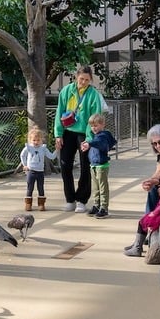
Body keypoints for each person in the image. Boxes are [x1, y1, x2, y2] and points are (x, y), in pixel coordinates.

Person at [53, 66, 105, 213]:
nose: (83, 82)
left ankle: (81, 200)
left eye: (87, 80)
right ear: (76, 77)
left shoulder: (93, 94)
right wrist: (58, 134)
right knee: (65, 164)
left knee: (85, 166)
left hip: (84, 133)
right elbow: (59, 113)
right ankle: (69, 199)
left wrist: (89, 139)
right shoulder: (66, 91)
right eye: (81, 79)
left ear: (91, 80)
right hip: (68, 132)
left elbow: (95, 117)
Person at [124, 156, 160, 256]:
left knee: (142, 222)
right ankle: (136, 244)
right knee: (144, 221)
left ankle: (137, 248)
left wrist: (153, 213)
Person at [81, 112, 117, 218]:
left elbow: (100, 144)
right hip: (94, 165)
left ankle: (104, 207)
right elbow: (95, 143)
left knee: (102, 187)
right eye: (92, 126)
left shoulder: (103, 136)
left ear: (102, 125)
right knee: (95, 187)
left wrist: (90, 144)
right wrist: (88, 145)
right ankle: (96, 205)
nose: (94, 128)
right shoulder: (95, 136)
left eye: (96, 125)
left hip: (101, 166)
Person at [19, 127, 58, 212]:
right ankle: (28, 204)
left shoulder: (43, 148)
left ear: (42, 140)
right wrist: (25, 165)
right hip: (30, 171)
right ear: (30, 140)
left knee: (41, 187)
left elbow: (51, 156)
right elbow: (22, 155)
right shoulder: (28, 148)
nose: (36, 142)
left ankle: (41, 204)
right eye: (34, 140)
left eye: (38, 140)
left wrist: (57, 150)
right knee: (30, 187)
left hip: (40, 172)